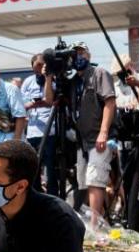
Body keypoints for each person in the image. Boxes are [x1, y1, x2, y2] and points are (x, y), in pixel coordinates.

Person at [46, 43, 117, 228]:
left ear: (89, 54)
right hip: (82, 141)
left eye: (81, 53)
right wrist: (49, 76)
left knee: (95, 180)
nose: (78, 56)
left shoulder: (99, 73)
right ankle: (94, 220)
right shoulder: (73, 81)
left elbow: (110, 102)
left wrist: (103, 132)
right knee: (84, 182)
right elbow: (49, 99)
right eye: (74, 53)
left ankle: (93, 226)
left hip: (99, 138)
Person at [22, 54, 55, 194]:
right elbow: (20, 104)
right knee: (33, 169)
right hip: (32, 132)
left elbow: (49, 100)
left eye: (43, 65)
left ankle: (53, 197)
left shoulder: (52, 80)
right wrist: (30, 104)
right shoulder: (28, 82)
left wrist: (47, 77)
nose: (40, 69)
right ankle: (36, 196)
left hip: (49, 132)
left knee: (51, 170)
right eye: (37, 67)